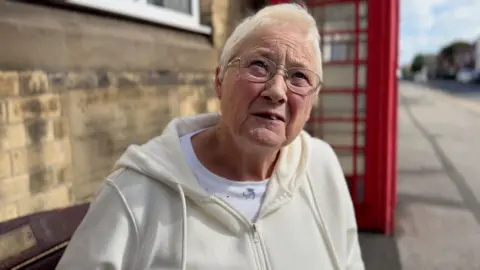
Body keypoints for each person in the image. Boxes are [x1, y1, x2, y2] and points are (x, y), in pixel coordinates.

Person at [56, 3, 365, 270]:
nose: (277, 92)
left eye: (299, 76)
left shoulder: (321, 165)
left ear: (311, 104)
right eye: (259, 65)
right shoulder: (134, 193)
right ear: (219, 81)